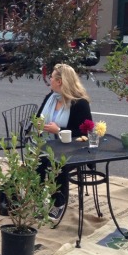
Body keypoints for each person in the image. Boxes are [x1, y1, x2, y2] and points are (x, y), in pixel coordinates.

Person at [37, 63, 93, 222]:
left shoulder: (79, 103)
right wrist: (38, 124)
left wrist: (59, 131)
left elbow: (85, 132)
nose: (50, 80)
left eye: (52, 78)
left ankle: (58, 203)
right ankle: (39, 198)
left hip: (73, 149)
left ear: (60, 81)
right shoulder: (50, 98)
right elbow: (38, 117)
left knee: (56, 165)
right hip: (48, 145)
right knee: (37, 163)